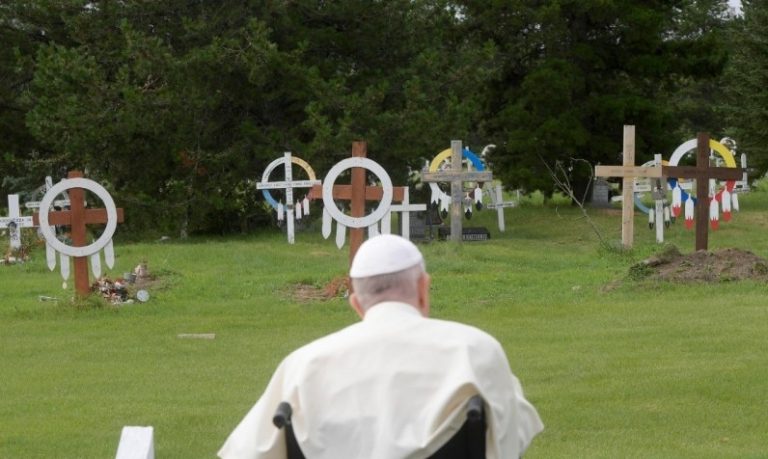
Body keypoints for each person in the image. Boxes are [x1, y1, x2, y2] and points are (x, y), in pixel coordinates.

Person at [218, 234, 543, 459]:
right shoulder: (476, 351)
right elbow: (510, 439)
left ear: (356, 304)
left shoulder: (302, 365)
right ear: (423, 289)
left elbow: (248, 451)